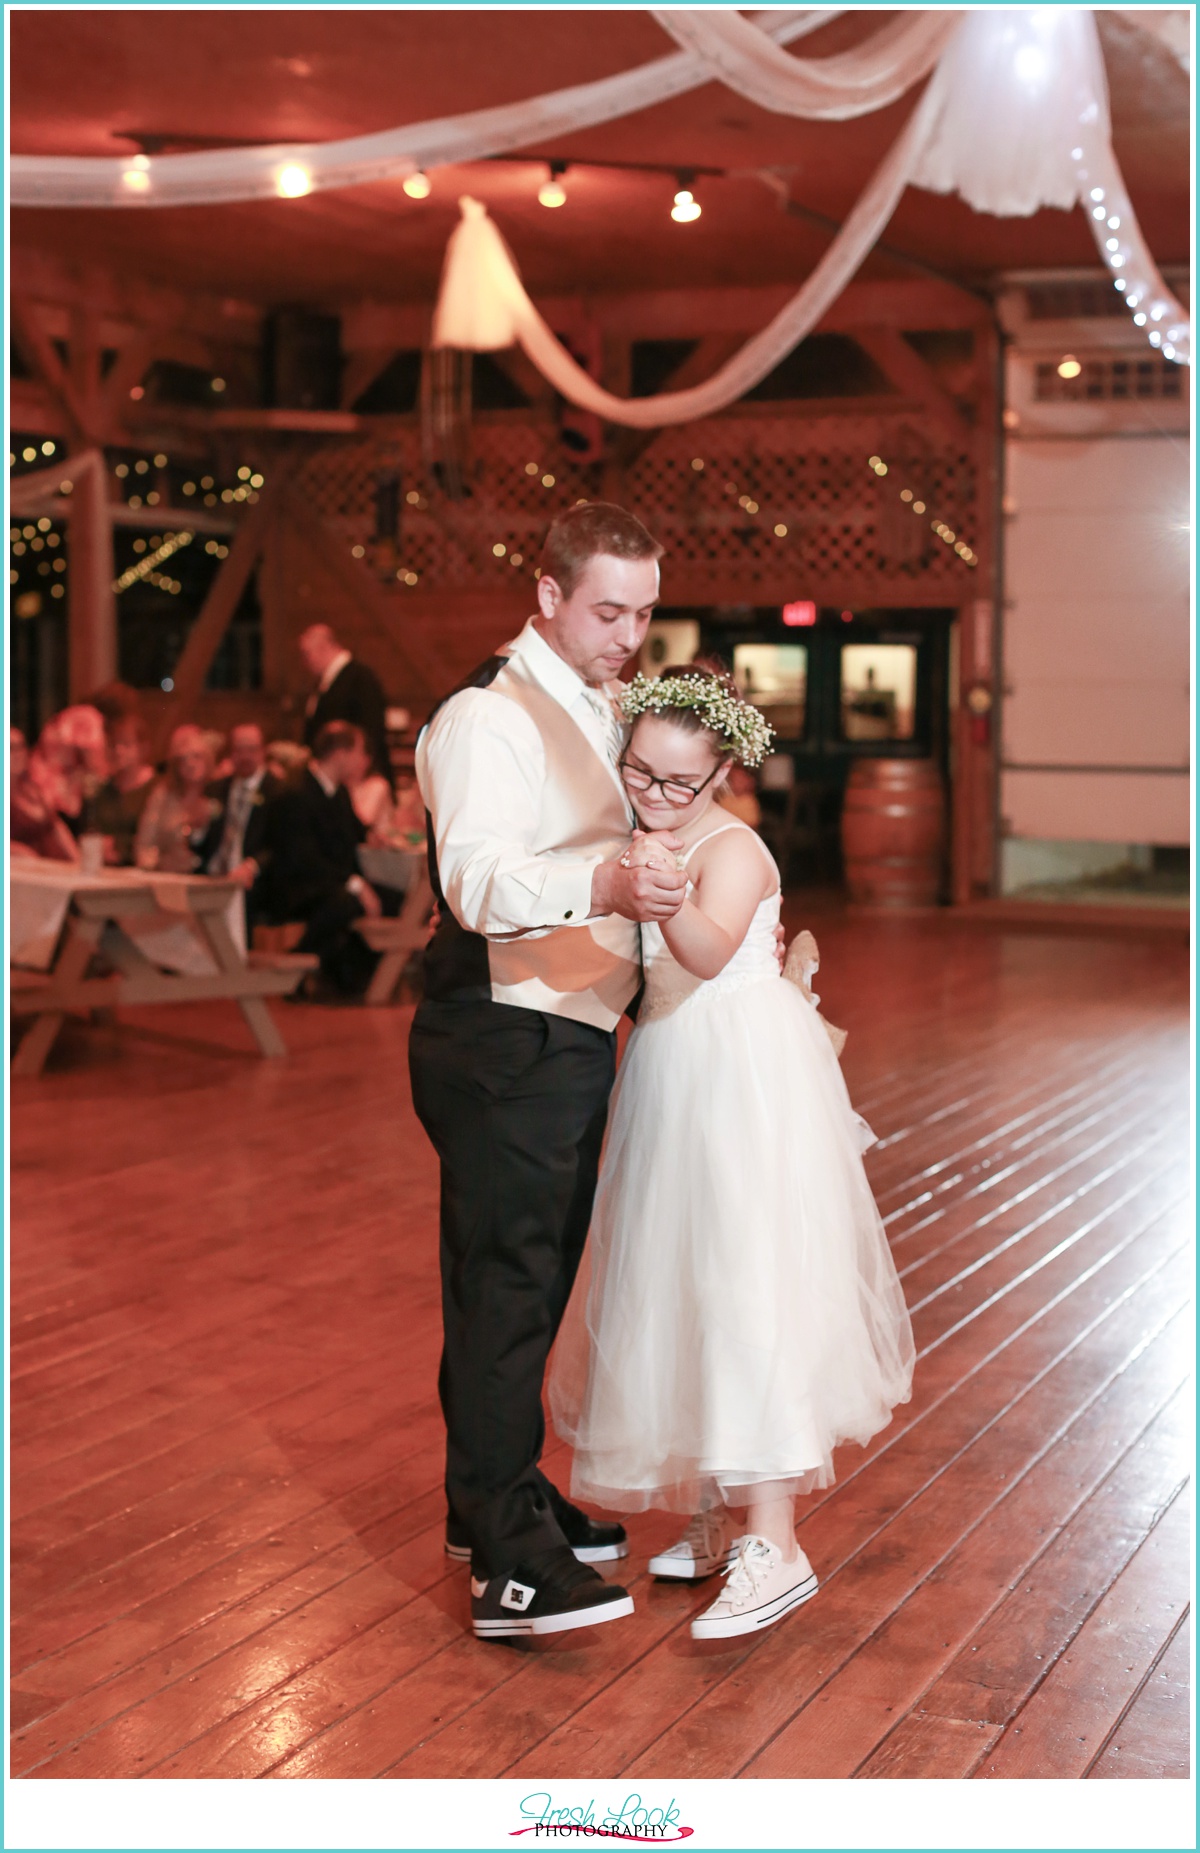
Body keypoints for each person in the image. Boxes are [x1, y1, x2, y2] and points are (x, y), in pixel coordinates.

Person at [549, 665, 915, 1640]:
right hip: (673, 1066)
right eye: (641, 773)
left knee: (749, 1280)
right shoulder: (648, 831)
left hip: (737, 1075)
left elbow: (707, 950)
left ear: (720, 777)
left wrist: (654, 890)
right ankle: (721, 1507)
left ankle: (778, 1540)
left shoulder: (732, 847)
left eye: (679, 782)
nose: (656, 795)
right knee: (689, 1282)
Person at [409, 502, 690, 1643]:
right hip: (504, 1033)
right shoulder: (487, 716)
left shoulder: (592, 695)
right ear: (547, 595)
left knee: (517, 1275)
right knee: (508, 1286)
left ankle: (492, 1502)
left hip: (557, 1029)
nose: (629, 634)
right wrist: (610, 889)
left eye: (644, 611)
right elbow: (477, 884)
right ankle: (509, 1571)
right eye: (607, 609)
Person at [256, 720, 382, 994]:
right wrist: (356, 885)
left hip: (330, 880)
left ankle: (353, 974)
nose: (364, 760)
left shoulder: (337, 791)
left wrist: (375, 836)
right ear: (340, 754)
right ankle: (297, 966)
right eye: (359, 752)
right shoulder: (296, 793)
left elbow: (355, 832)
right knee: (346, 903)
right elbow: (302, 859)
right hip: (299, 886)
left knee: (394, 899)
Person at [200, 722, 286, 930]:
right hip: (211, 873)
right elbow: (204, 841)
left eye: (252, 750)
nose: (245, 756)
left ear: (263, 752)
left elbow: (282, 844)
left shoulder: (278, 791)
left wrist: (252, 866)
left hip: (254, 880)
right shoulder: (216, 789)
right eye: (239, 750)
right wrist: (194, 831)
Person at [300, 623, 390, 782]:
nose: (305, 663)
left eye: (307, 654)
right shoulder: (324, 683)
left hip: (358, 776)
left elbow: (371, 731)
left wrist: (363, 771)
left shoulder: (360, 679)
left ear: (324, 648)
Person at [134, 725, 219, 873]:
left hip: (209, 878)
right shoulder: (163, 796)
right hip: (165, 875)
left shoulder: (218, 795)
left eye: (196, 757)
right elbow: (145, 842)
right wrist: (153, 865)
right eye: (183, 759)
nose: (190, 764)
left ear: (208, 760)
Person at [84, 713, 156, 865]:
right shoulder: (103, 790)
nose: (118, 751)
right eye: (114, 745)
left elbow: (157, 838)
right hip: (107, 871)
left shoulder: (156, 789)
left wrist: (119, 847)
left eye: (126, 744)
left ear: (142, 748)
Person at [10, 726, 79, 861]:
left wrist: (77, 860)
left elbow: (56, 826)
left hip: (55, 868)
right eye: (10, 748)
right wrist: (22, 853)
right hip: (24, 874)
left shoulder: (33, 788)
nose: (18, 753)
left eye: (21, 747)